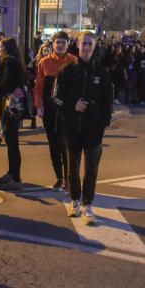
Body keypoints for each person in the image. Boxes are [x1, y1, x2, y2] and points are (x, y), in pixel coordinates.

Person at [54, 31, 113, 225]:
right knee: (72, 168)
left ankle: (88, 204)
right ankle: (74, 201)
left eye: (89, 44)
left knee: (91, 169)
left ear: (94, 46)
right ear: (77, 45)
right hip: (72, 128)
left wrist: (102, 121)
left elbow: (108, 104)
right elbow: (56, 97)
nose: (86, 47)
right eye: (83, 44)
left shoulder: (102, 73)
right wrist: (73, 106)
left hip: (94, 131)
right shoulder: (67, 70)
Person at [34, 31, 77, 191]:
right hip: (49, 110)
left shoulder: (73, 61)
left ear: (68, 44)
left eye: (63, 42)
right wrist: (39, 106)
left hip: (68, 110)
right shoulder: (44, 62)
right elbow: (38, 87)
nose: (60, 45)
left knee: (67, 144)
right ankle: (59, 177)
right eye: (57, 42)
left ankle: (69, 178)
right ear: (52, 44)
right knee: (53, 144)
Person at [0, 37, 28, 190]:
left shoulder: (9, 62)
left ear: (6, 48)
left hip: (11, 106)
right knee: (11, 141)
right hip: (13, 105)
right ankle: (12, 173)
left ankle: (16, 177)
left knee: (12, 142)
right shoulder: (14, 61)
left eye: (0, 46)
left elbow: (5, 83)